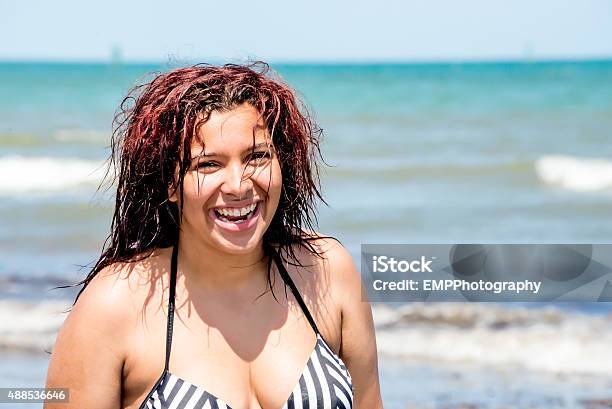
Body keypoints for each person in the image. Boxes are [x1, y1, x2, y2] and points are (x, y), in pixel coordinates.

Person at [45, 62, 383, 409]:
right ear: (170, 183)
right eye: (208, 164)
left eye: (257, 157)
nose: (238, 185)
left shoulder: (326, 272)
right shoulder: (114, 306)